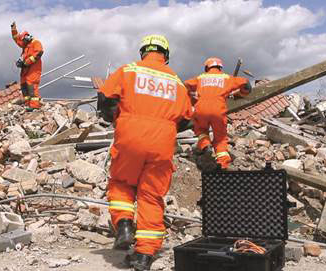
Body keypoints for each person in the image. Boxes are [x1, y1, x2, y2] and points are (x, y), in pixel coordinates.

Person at [97, 34, 192, 271]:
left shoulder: (129, 70)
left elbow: (106, 98)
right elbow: (187, 119)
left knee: (121, 183)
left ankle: (125, 225)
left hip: (130, 135)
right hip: (162, 142)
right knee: (151, 196)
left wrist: (115, 118)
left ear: (143, 51)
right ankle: (143, 256)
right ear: (165, 55)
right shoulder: (177, 82)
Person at [184, 57, 252, 170]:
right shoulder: (226, 78)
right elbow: (247, 85)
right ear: (220, 68)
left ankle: (205, 146)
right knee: (220, 139)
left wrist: (190, 99)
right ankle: (222, 164)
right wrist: (239, 94)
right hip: (218, 111)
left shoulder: (201, 77)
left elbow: (185, 85)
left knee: (200, 130)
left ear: (207, 67)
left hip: (201, 110)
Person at [11, 22, 43, 110]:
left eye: (23, 40)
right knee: (24, 86)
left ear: (27, 37)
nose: (22, 43)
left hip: (34, 69)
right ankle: (28, 104)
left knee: (31, 85)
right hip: (25, 70)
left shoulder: (35, 43)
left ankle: (34, 105)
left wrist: (26, 62)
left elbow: (38, 53)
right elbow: (17, 39)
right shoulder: (26, 45)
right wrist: (13, 30)